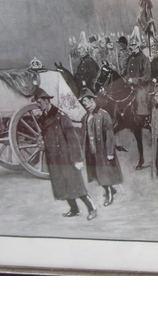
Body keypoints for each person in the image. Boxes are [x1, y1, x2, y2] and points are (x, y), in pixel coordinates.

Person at [33, 88, 97, 220]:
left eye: (39, 102)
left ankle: (92, 208)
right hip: (54, 158)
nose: (37, 105)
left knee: (75, 184)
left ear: (46, 101)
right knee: (62, 184)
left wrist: (77, 159)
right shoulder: (43, 118)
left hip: (66, 157)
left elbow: (72, 138)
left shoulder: (61, 116)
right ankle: (74, 209)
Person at [79, 88, 123, 207]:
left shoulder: (104, 115)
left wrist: (110, 152)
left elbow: (109, 134)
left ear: (92, 101)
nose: (84, 104)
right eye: (83, 102)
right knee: (97, 173)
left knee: (104, 173)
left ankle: (109, 194)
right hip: (91, 150)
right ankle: (109, 189)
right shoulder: (86, 117)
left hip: (102, 150)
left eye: (86, 101)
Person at [125, 26, 152, 170]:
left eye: (135, 45)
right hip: (130, 87)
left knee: (141, 97)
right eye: (131, 45)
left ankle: (145, 117)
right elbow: (126, 73)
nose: (133, 47)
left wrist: (135, 81)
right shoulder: (130, 59)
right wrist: (125, 80)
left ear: (139, 45)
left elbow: (148, 76)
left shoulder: (144, 59)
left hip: (142, 87)